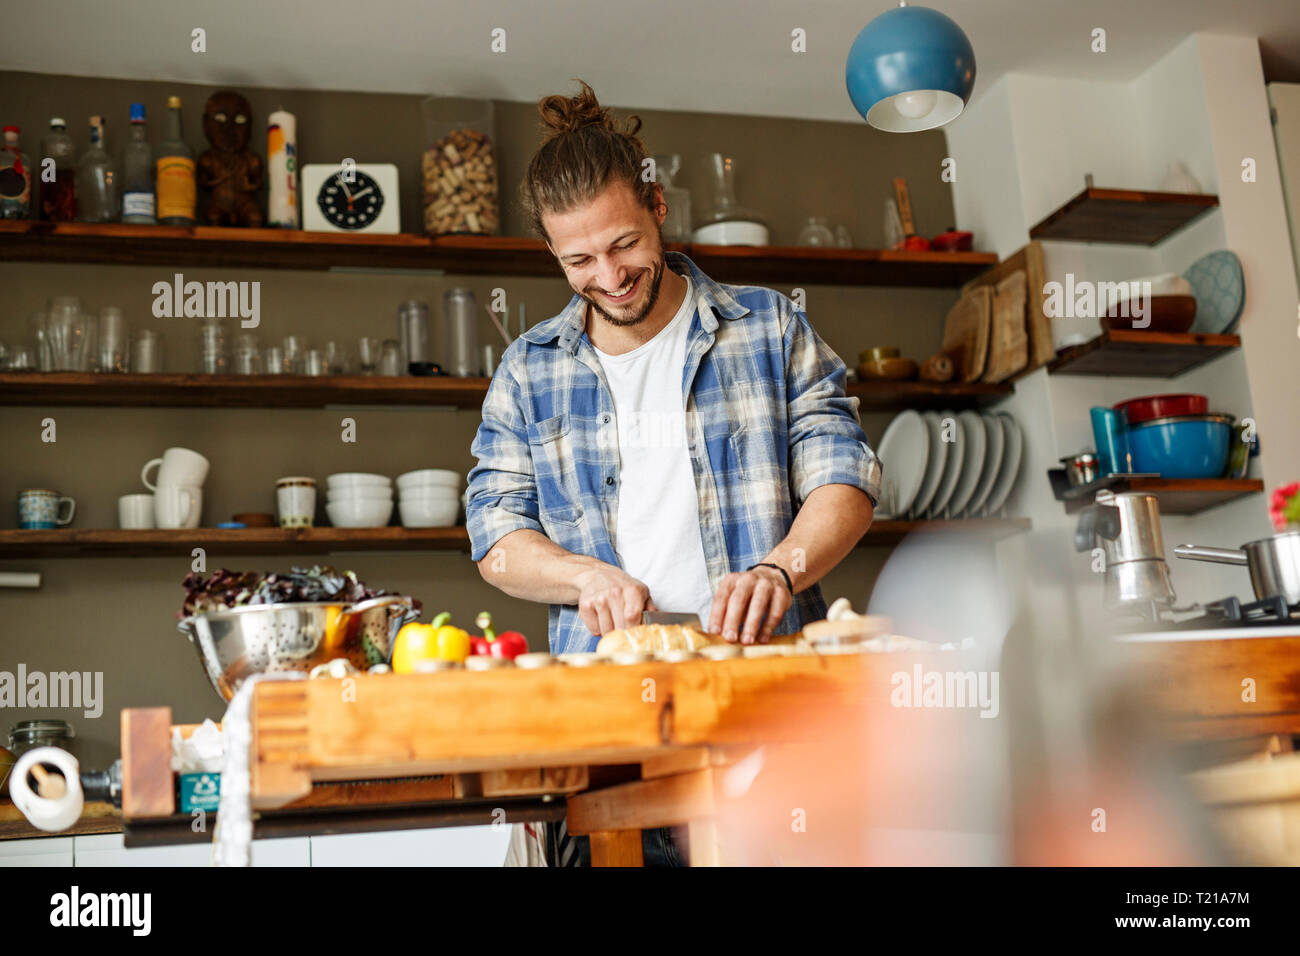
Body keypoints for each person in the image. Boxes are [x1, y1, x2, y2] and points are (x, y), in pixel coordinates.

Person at [467, 81, 880, 866]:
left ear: (657, 206)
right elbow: (496, 534)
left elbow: (846, 476)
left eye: (623, 244)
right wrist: (583, 577)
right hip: (608, 729)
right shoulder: (528, 371)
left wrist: (778, 569)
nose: (610, 275)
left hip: (769, 717)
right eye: (578, 259)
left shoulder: (768, 326)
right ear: (551, 253)